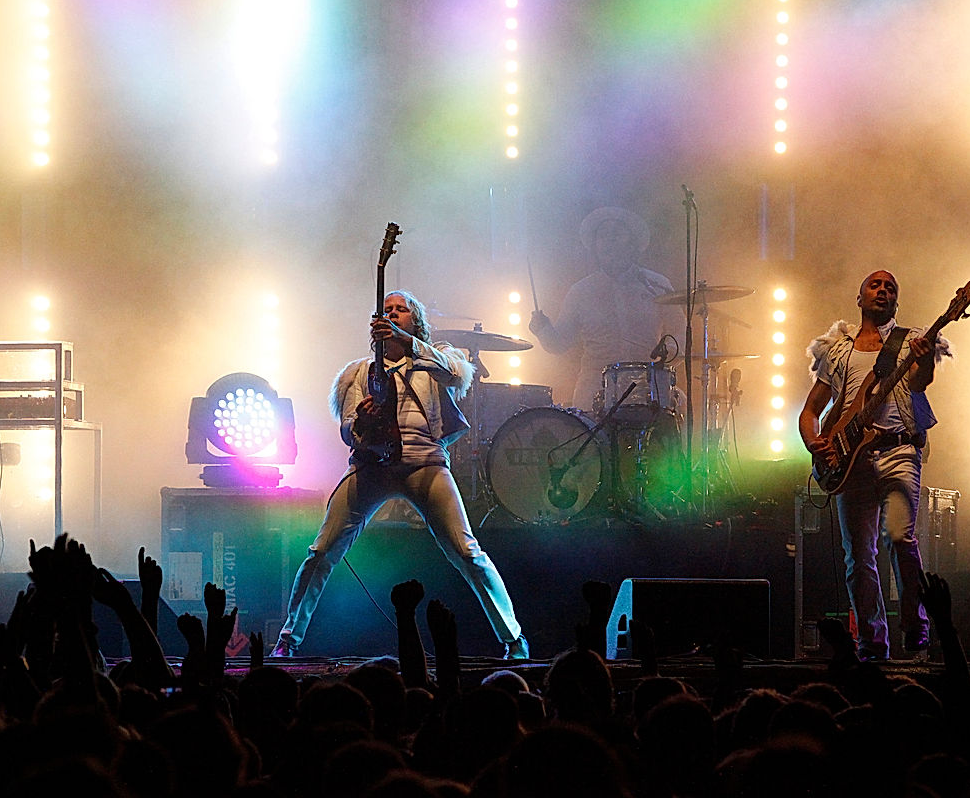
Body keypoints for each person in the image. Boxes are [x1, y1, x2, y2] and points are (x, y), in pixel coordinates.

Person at [271, 290, 528, 659]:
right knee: (322, 551)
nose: (392, 314)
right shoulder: (358, 373)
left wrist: (411, 344)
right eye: (386, 309)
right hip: (371, 467)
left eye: (401, 310)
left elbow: (457, 374)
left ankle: (514, 639)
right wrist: (361, 420)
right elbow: (346, 431)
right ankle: (288, 640)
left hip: (425, 464)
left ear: (414, 321)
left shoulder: (432, 360)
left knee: (467, 552)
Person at [798, 270, 949, 661]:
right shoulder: (839, 350)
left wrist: (925, 363)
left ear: (896, 301)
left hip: (899, 450)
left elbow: (918, 384)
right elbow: (812, 410)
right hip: (851, 460)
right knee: (858, 556)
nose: (883, 290)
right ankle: (871, 643)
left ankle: (916, 625)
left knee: (899, 536)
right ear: (859, 298)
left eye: (891, 287)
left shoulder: (910, 342)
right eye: (875, 285)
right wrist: (815, 442)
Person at [529, 206, 675, 411]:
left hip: (649, 390)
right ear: (595, 246)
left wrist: (663, 363)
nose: (610, 240)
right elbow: (559, 344)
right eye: (603, 235)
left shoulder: (658, 285)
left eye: (617, 233)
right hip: (594, 392)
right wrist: (542, 329)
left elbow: (681, 338)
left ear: (632, 242)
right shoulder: (581, 291)